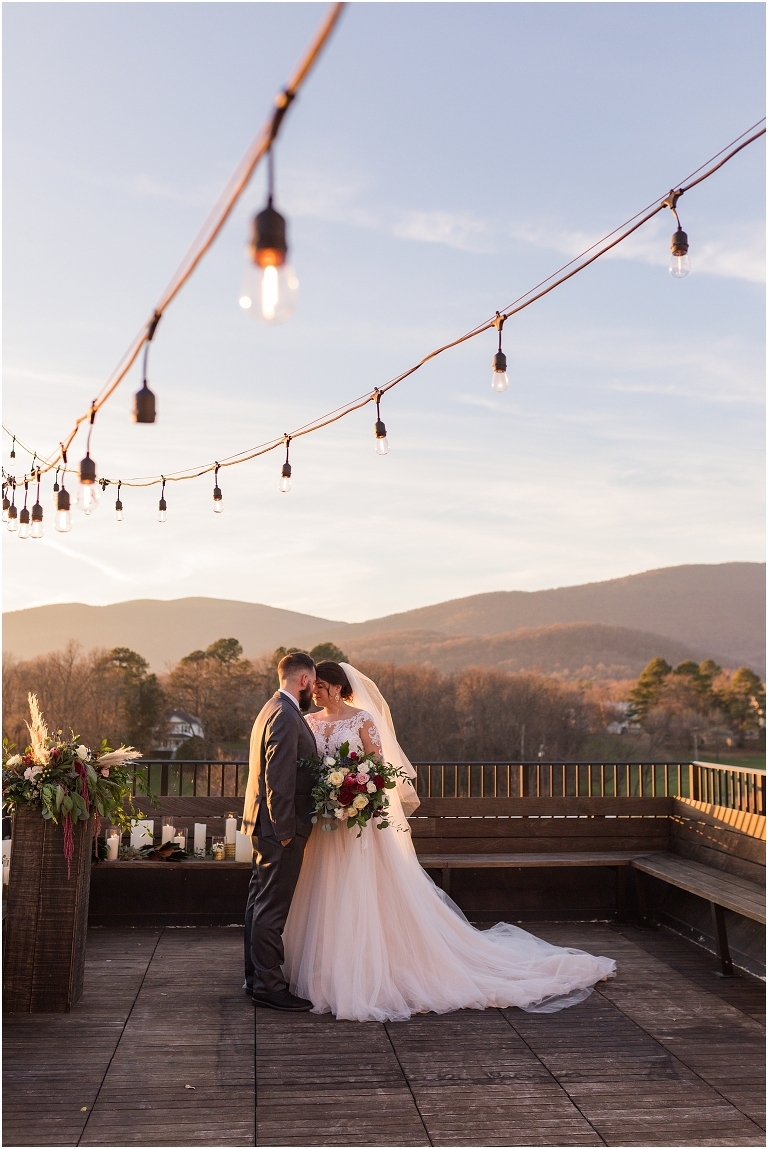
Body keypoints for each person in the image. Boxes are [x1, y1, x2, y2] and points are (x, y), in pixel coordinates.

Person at [282, 660, 616, 1023]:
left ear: (334, 685)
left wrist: (356, 791)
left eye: (319, 684)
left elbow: (379, 773)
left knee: (363, 895)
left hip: (359, 825)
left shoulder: (362, 719)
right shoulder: (309, 722)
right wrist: (329, 793)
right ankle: (324, 970)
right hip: (326, 825)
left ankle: (368, 972)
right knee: (325, 893)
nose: (313, 690)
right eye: (312, 685)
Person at [241, 651, 318, 1011]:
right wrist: (287, 830)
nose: (313, 689)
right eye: (313, 682)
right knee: (272, 908)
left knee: (258, 903)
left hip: (262, 823)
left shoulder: (270, 708)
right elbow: (279, 776)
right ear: (304, 680)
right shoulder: (286, 715)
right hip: (278, 828)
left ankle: (255, 977)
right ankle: (270, 986)